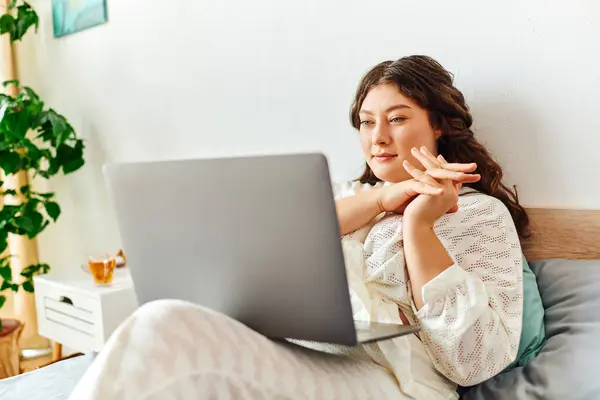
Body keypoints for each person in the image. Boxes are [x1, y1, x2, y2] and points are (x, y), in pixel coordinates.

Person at [69, 56, 526, 400]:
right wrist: (383, 198)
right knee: (170, 335)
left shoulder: (479, 216)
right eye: (366, 122)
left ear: (439, 127)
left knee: (165, 324)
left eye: (398, 117)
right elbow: (276, 239)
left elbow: (473, 361)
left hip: (398, 381)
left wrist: (419, 225)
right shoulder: (348, 197)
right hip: (299, 348)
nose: (377, 137)